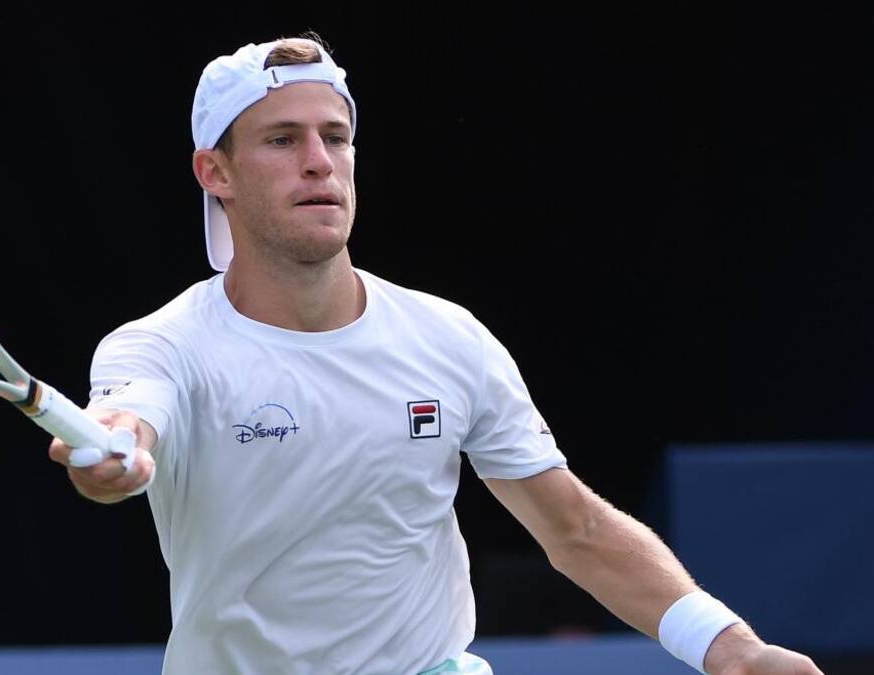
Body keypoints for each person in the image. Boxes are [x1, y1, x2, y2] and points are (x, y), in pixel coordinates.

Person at [47, 34, 824, 675]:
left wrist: (732, 649)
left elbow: (574, 529)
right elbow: (128, 418)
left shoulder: (448, 337)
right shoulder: (164, 344)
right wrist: (112, 452)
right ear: (214, 172)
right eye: (282, 140)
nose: (318, 161)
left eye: (336, 137)